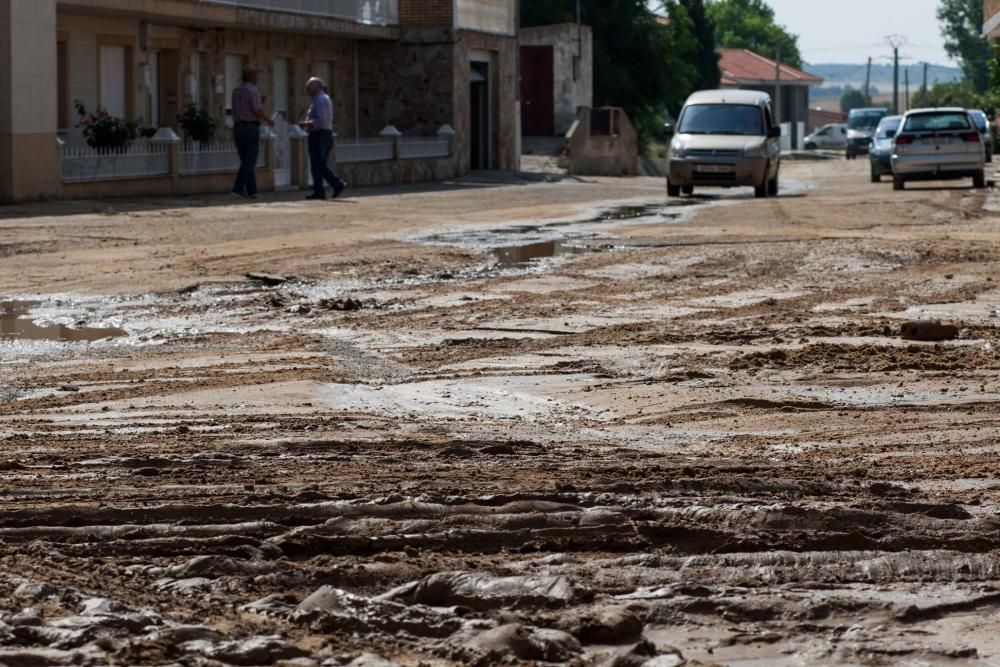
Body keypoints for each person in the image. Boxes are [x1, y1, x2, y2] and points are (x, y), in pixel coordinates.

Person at [231, 67, 274, 199]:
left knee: (245, 159)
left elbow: (241, 107)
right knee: (250, 160)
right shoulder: (253, 90)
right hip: (250, 127)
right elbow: (256, 110)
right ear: (250, 76)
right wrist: (268, 120)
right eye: (255, 75)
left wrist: (259, 100)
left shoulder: (236, 91)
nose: (257, 78)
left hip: (238, 127)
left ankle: (252, 190)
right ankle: (238, 188)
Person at [300, 77, 346, 200]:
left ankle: (336, 184)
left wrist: (306, 123)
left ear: (318, 86)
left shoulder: (320, 100)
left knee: (318, 164)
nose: (307, 89)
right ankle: (320, 190)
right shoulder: (321, 99)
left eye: (310, 86)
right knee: (319, 164)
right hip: (324, 134)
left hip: (319, 134)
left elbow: (320, 120)